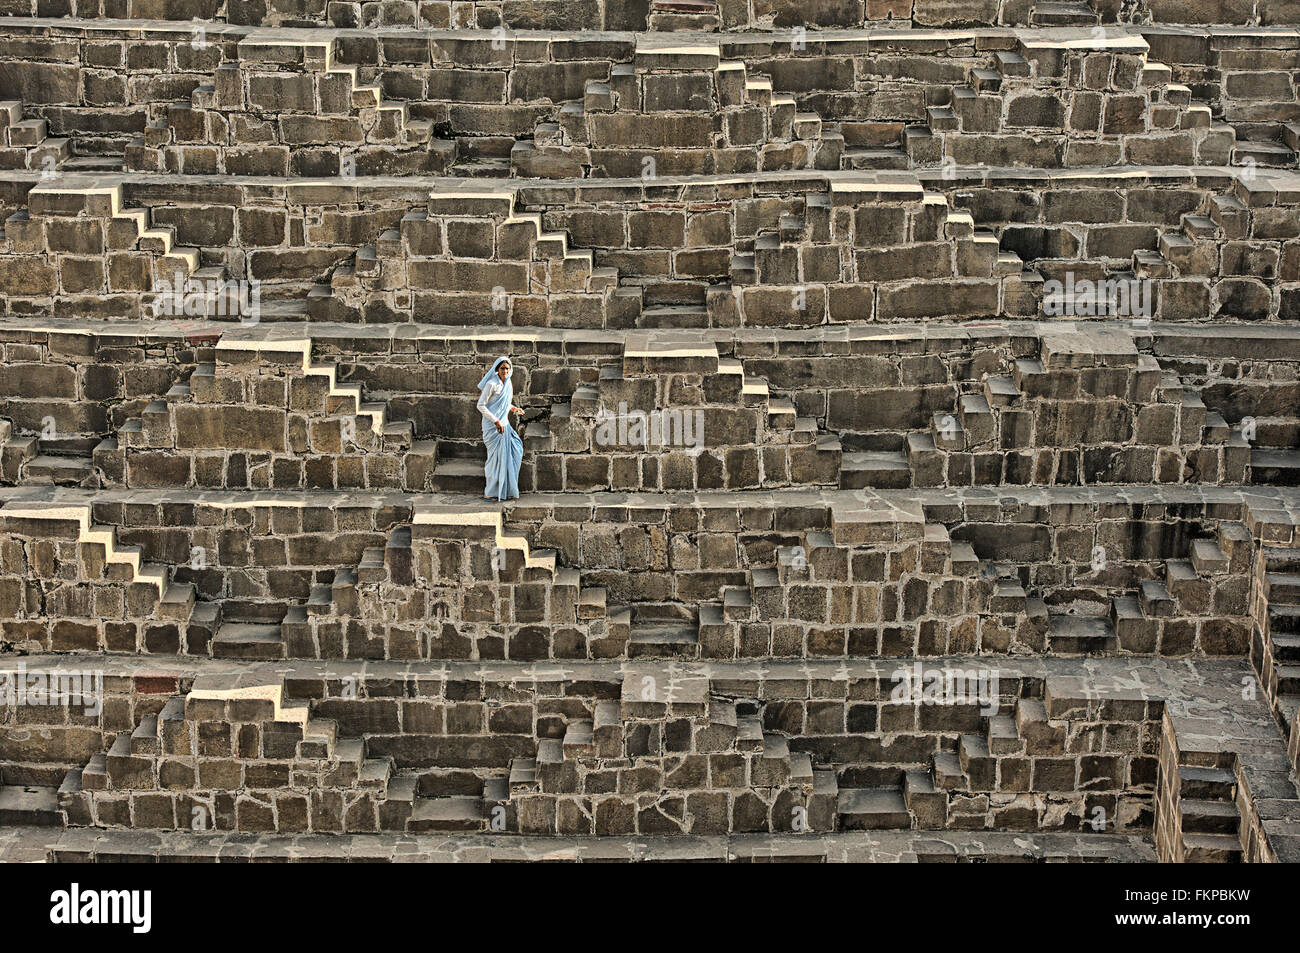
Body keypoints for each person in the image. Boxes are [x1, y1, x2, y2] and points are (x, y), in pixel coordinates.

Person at [476, 356, 524, 501]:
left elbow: (504, 404)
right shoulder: (491, 384)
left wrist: (514, 409)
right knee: (494, 461)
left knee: (516, 449)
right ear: (497, 369)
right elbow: (481, 405)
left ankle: (506, 489)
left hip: (505, 425)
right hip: (493, 427)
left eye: (507, 368)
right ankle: (490, 492)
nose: (505, 371)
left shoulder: (508, 384)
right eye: (502, 368)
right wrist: (496, 421)